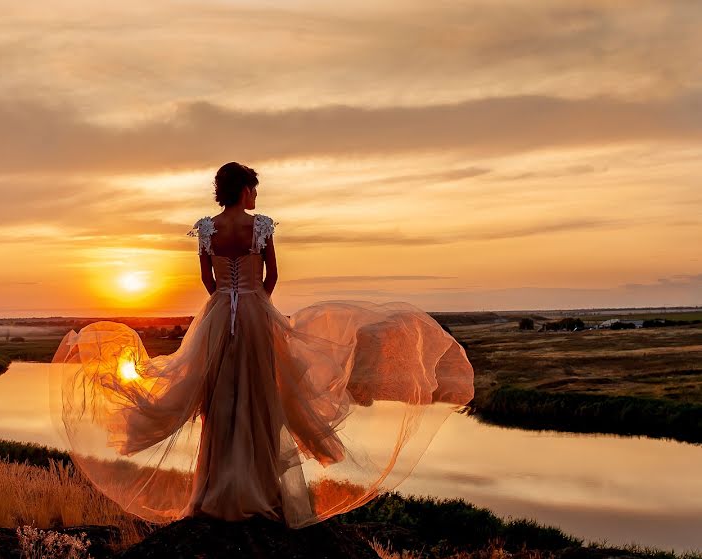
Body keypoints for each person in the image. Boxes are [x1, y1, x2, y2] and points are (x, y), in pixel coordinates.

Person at [50, 162, 474, 528]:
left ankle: (214, 493)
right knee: (260, 397)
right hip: (255, 312)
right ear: (243, 188)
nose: (255, 195)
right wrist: (259, 305)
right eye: (253, 187)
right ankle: (262, 492)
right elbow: (271, 274)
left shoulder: (207, 229)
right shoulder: (261, 226)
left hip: (217, 314)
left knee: (219, 399)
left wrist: (225, 300)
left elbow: (206, 280)